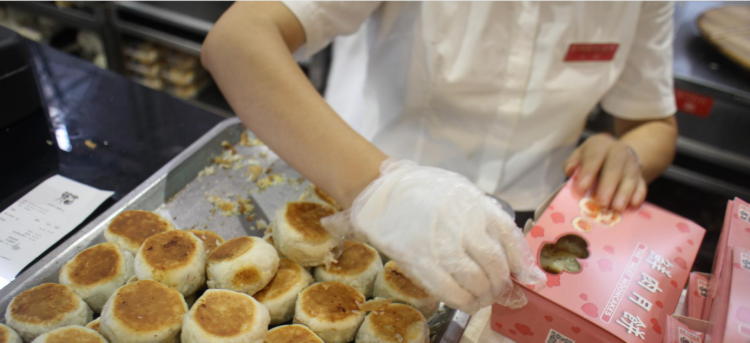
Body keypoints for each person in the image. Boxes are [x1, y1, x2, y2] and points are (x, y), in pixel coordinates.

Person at [201, 1, 678, 314]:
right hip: (366, 206)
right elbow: (239, 39)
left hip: (521, 239)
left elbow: (651, 122)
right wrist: (383, 188)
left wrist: (626, 152)